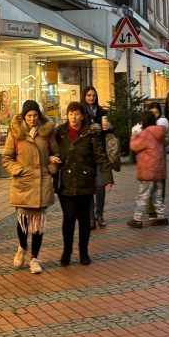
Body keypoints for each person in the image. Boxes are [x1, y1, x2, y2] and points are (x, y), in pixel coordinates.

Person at [2, 100, 59, 275]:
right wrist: (17, 170)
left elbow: (55, 153)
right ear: (24, 116)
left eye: (34, 115)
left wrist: (51, 166)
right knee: (23, 223)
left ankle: (34, 258)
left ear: (39, 115)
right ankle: (22, 247)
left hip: (41, 183)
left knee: (38, 225)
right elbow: (6, 158)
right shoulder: (15, 133)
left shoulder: (47, 132)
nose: (32, 118)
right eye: (28, 115)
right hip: (23, 183)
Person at [54, 101, 113, 266]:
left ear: (82, 115)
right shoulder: (60, 132)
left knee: (84, 220)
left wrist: (107, 178)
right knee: (69, 217)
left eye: (77, 114)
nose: (73, 117)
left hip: (85, 182)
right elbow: (50, 149)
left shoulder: (90, 133)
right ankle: (67, 251)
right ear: (67, 115)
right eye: (71, 114)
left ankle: (83, 251)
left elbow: (100, 156)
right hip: (65, 183)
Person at [128, 111, 168, 227]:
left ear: (143, 121)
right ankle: (161, 216)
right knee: (157, 194)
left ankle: (137, 219)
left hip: (148, 169)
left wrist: (134, 134)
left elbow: (134, 146)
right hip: (159, 169)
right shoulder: (159, 131)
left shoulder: (145, 134)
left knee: (143, 195)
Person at [82, 86, 112, 229]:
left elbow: (109, 131)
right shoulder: (81, 112)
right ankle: (91, 217)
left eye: (93, 95)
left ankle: (100, 215)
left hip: (100, 153)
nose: (91, 98)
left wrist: (110, 127)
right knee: (88, 188)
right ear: (84, 96)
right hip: (86, 154)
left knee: (100, 185)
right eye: (88, 95)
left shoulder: (101, 111)